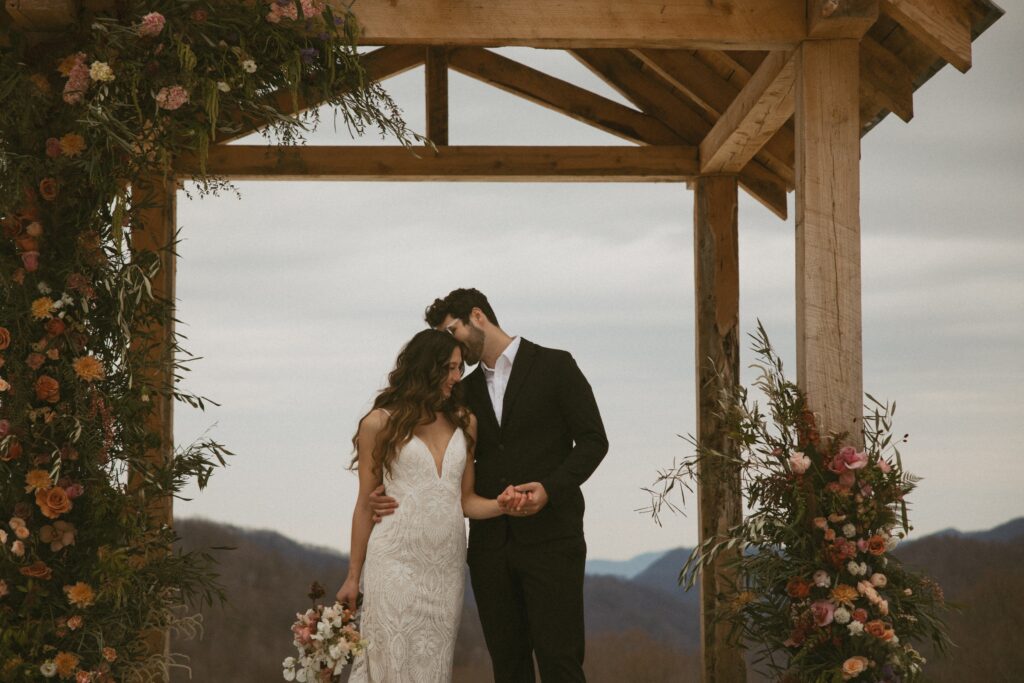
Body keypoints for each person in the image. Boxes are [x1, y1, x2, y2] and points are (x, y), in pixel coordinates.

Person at [370, 289, 609, 682]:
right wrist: (385, 489)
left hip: (553, 540)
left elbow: (594, 440)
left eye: (452, 330)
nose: (450, 343)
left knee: (560, 663)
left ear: (477, 316)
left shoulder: (556, 365)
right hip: (489, 549)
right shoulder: (461, 390)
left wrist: (549, 488)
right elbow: (419, 431)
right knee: (508, 668)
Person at [336, 329, 524, 682]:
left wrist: (504, 505)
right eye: (450, 368)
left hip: (445, 569)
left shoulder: (465, 422)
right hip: (393, 564)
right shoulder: (378, 424)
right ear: (427, 368)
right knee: (390, 664)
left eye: (458, 367)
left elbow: (465, 501)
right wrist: (352, 577)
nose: (457, 376)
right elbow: (365, 504)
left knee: (433, 668)